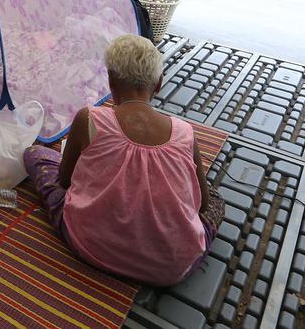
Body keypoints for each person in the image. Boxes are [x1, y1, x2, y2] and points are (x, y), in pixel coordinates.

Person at [23, 34, 223, 287]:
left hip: (89, 245)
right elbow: (203, 205)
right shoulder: (185, 132)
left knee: (36, 154)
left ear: (110, 80)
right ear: (159, 84)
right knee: (214, 198)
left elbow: (64, 180)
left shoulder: (89, 118)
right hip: (171, 267)